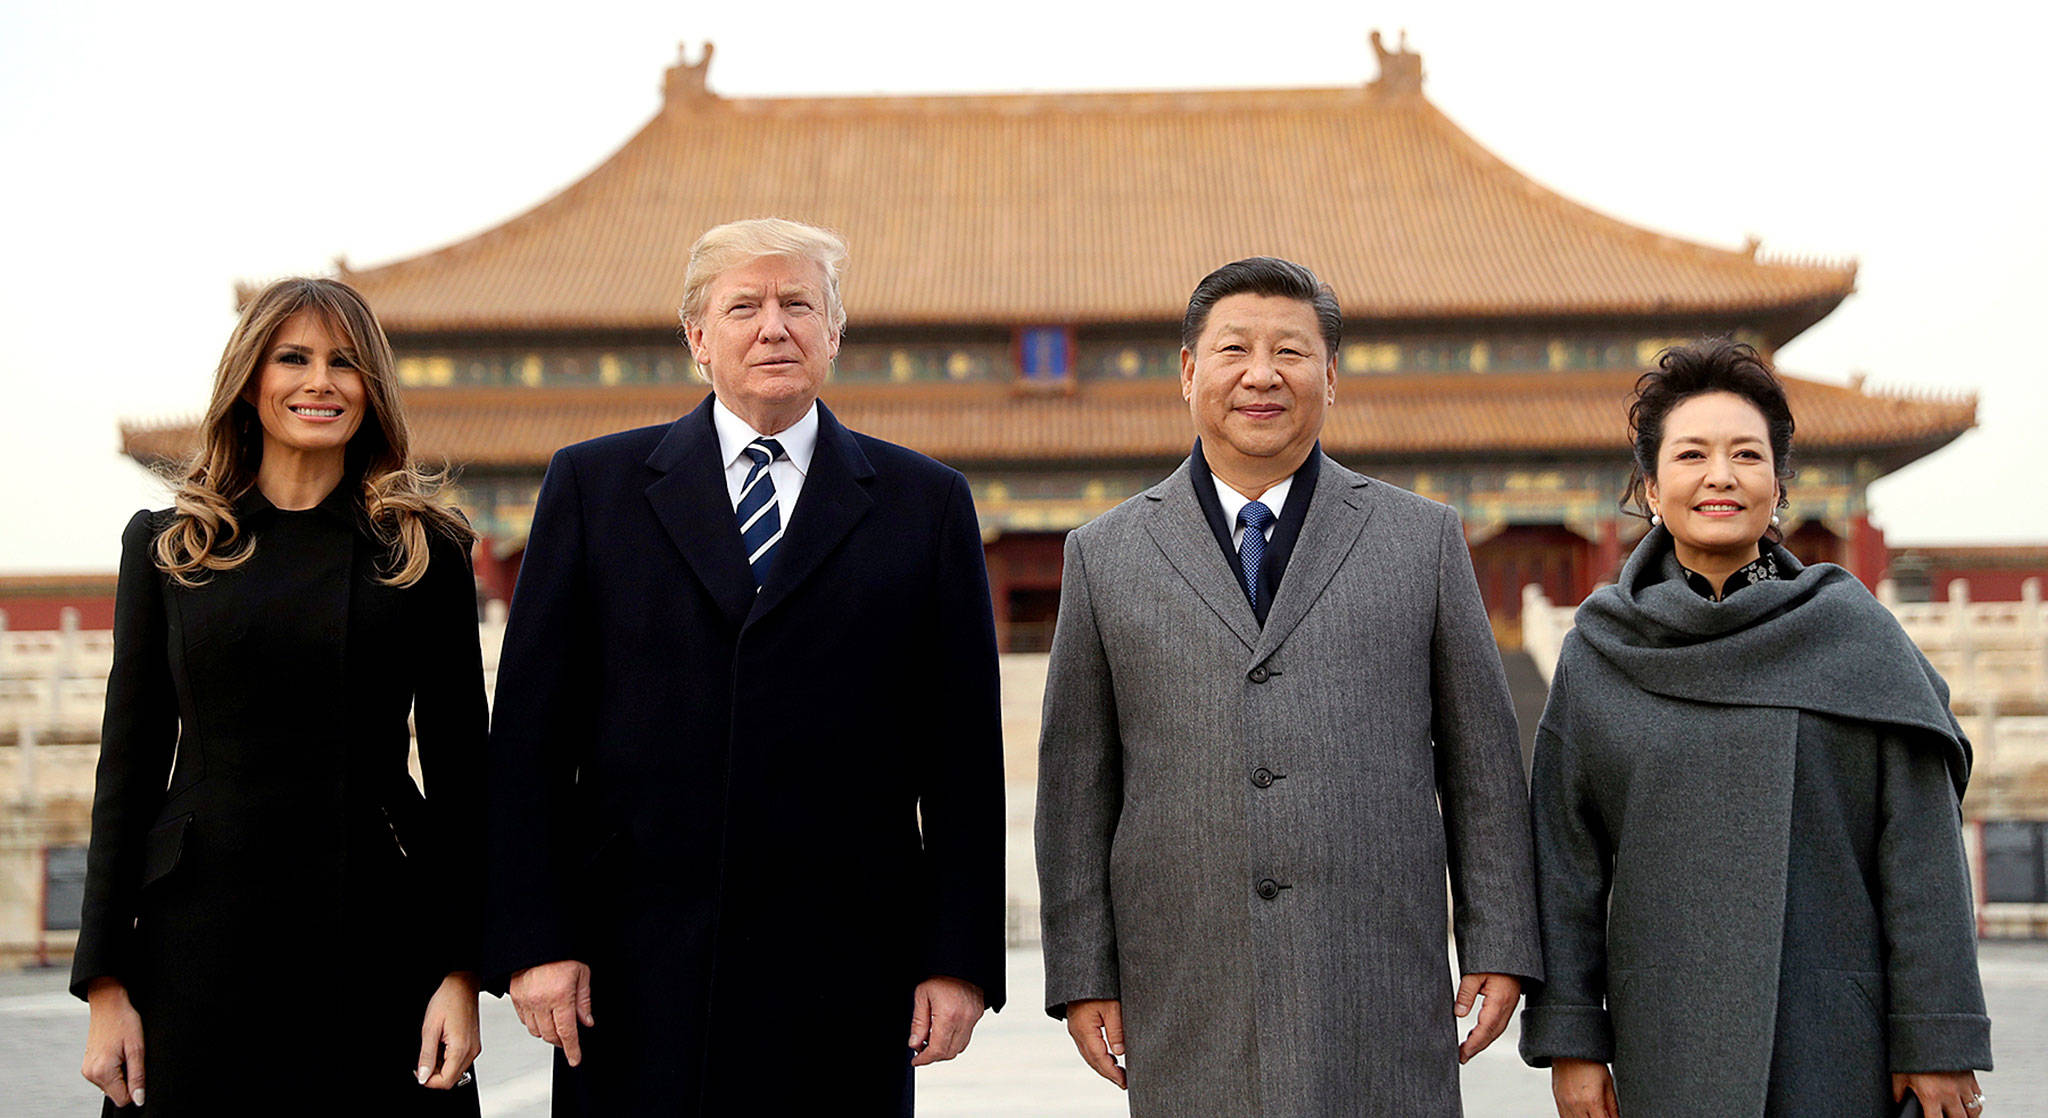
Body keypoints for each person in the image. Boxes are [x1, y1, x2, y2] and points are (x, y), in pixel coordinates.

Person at [484, 217, 1006, 1115]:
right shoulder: (593, 488)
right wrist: (536, 938)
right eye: (744, 306)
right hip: (633, 959)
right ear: (697, 339)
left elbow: (960, 756)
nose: (775, 327)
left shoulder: (925, 503)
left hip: (845, 961)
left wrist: (956, 959)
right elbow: (529, 741)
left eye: (799, 303)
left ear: (834, 333)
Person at [1034, 256, 1542, 1115]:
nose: (1262, 375)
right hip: (1190, 978)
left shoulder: (1420, 540)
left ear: (1331, 376)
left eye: (1292, 353)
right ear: (1190, 371)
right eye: (1234, 349)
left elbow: (1482, 764)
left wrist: (1498, 939)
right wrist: (1083, 970)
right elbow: (1077, 786)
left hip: (1377, 969)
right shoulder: (1104, 554)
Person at [1519, 339, 1993, 1117]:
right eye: (1691, 454)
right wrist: (1572, 1041)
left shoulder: (1853, 637)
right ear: (1650, 485)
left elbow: (1922, 855)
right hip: (1665, 1035)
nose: (1720, 475)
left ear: (1778, 486)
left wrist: (1937, 1039)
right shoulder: (1600, 653)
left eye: (1747, 454)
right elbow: (1566, 866)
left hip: (1839, 1038)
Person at [74, 278, 489, 1114]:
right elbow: (128, 771)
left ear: (371, 387)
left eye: (344, 363)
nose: (319, 382)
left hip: (377, 935)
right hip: (197, 944)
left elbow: (462, 778)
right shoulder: (170, 548)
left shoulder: (422, 550)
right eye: (292, 358)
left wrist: (462, 972)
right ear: (249, 379)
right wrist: (106, 982)